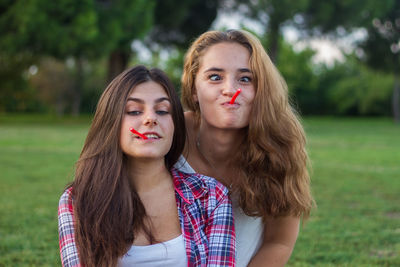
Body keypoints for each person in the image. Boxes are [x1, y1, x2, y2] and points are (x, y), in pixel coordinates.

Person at [58, 65, 236, 267]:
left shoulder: (211, 196)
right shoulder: (77, 201)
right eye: (134, 111)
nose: (151, 118)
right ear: (110, 123)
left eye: (162, 111)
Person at [174, 29, 314, 267]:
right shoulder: (170, 135)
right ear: (194, 90)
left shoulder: (280, 147)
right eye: (215, 77)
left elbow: (279, 242)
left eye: (245, 79)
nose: (230, 89)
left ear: (262, 90)